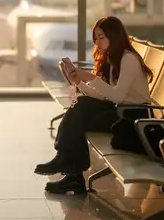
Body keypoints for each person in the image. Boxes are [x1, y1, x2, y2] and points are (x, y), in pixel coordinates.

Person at [34, 16, 153, 194]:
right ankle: (68, 167)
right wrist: (79, 83)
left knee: (80, 118)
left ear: (114, 36)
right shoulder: (113, 59)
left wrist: (90, 78)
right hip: (119, 112)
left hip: (133, 119)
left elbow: (117, 96)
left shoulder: (129, 59)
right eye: (95, 38)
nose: (97, 42)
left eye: (101, 37)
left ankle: (70, 170)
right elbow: (103, 96)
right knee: (81, 105)